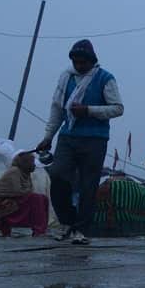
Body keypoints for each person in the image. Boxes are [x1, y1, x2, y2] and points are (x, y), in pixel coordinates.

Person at [36, 39, 124, 245]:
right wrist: (48, 137)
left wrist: (88, 110)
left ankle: (81, 229)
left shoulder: (105, 78)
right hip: (68, 136)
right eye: (76, 62)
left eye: (83, 62)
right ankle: (67, 221)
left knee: (88, 184)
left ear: (91, 61)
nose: (79, 66)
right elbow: (57, 109)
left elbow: (118, 108)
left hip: (95, 139)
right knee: (57, 175)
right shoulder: (66, 78)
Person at [0, 151, 49, 236]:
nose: (34, 165)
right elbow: (17, 191)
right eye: (31, 162)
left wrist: (28, 192)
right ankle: (38, 229)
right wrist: (28, 192)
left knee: (43, 198)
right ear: (24, 163)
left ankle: (41, 228)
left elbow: (27, 191)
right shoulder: (14, 171)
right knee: (36, 198)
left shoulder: (26, 174)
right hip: (2, 205)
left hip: (16, 201)